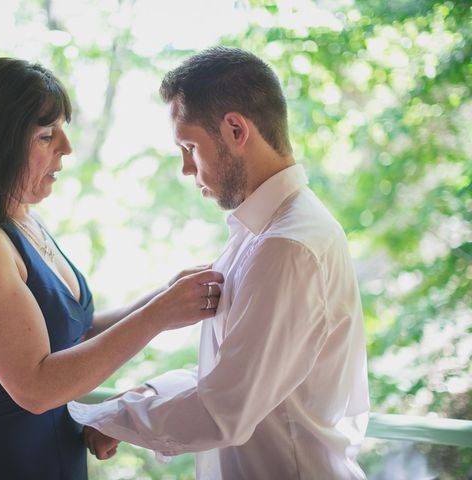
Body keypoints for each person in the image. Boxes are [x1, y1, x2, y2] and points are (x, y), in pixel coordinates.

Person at [69, 46, 370, 479]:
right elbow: (235, 373)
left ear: (235, 129)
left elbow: (224, 411)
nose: (186, 169)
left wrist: (107, 416)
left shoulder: (287, 246)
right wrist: (147, 393)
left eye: (190, 146)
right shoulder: (259, 233)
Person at [0, 57, 224, 480]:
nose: (66, 146)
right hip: (2, 467)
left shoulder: (21, 218)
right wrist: (160, 314)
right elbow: (38, 387)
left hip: (58, 459)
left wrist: (166, 294)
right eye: (46, 135)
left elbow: (71, 336)